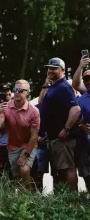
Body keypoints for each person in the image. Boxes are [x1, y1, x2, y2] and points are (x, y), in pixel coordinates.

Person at [39, 57, 80, 191]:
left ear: (62, 70)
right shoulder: (54, 86)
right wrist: (46, 85)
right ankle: (63, 201)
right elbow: (41, 103)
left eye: (54, 68)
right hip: (53, 138)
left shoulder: (64, 87)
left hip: (63, 139)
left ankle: (72, 199)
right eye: (49, 68)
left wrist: (66, 129)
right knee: (59, 171)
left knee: (68, 168)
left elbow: (76, 109)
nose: (50, 70)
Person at [0, 80, 39, 190]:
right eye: (15, 90)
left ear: (27, 92)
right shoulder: (6, 107)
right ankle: (27, 197)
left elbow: (34, 137)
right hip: (12, 147)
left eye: (20, 90)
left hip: (28, 145)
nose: (17, 92)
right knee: (17, 177)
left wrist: (25, 155)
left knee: (24, 169)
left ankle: (31, 197)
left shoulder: (34, 111)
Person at [75, 70, 90, 191]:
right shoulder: (80, 100)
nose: (88, 82)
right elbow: (74, 122)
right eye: (86, 79)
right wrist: (81, 126)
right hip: (84, 144)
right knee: (87, 174)